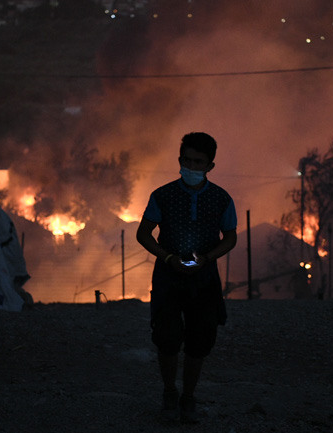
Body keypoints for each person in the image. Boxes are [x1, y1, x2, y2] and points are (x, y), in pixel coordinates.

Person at [136, 132, 237, 423]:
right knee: (166, 337)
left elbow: (230, 238)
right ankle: (169, 392)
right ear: (179, 160)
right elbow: (144, 233)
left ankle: (188, 397)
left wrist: (206, 258)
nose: (191, 166)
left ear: (210, 166)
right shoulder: (163, 195)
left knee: (200, 339)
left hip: (204, 279)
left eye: (198, 162)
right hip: (168, 277)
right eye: (187, 160)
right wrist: (168, 257)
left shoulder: (221, 198)